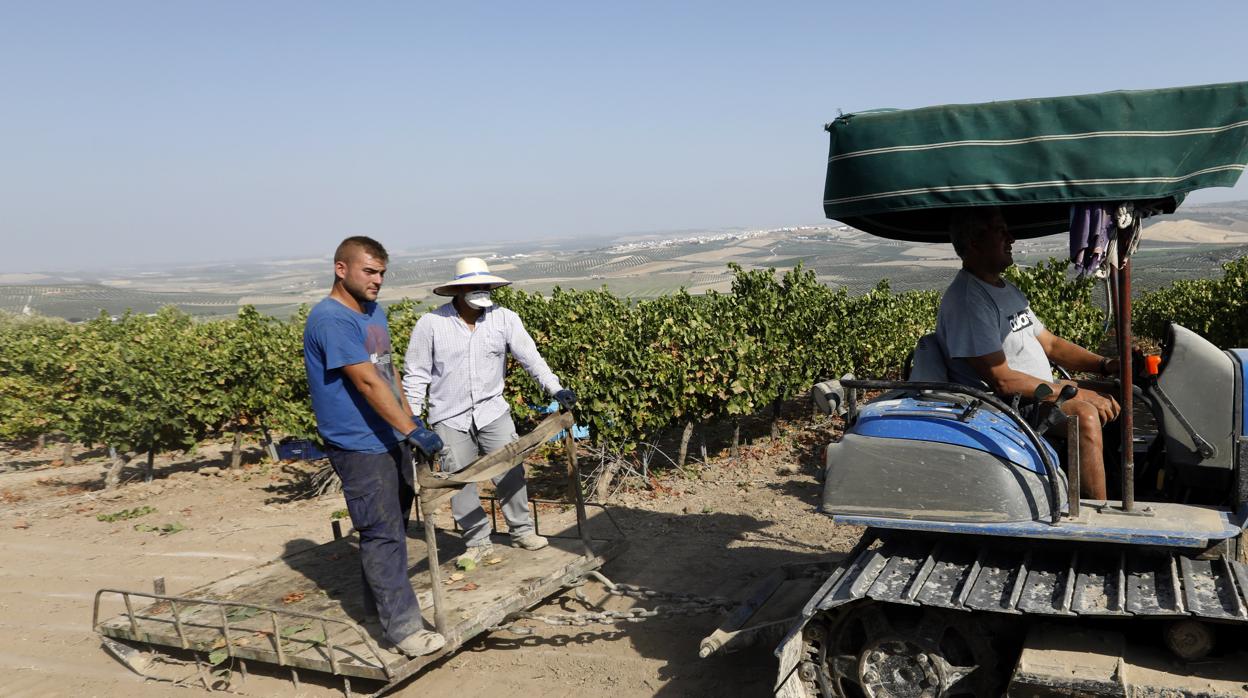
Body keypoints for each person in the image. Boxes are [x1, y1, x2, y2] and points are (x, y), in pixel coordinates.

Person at [302, 236, 447, 657]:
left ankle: (375, 609)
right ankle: (403, 630)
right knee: (382, 533)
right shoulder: (331, 319)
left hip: (389, 434)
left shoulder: (371, 311)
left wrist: (409, 424)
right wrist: (411, 429)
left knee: (393, 527)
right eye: (369, 271)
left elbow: (386, 373)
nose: (378, 280)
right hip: (358, 445)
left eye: (382, 272)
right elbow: (365, 381)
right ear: (341, 269)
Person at [935, 208, 1121, 500]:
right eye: (1000, 231)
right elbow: (1003, 381)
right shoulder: (969, 300)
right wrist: (1079, 394)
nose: (1011, 238)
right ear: (974, 242)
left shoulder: (1004, 289)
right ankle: (1096, 513)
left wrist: (1106, 365)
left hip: (1037, 393)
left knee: (1120, 392)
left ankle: (1116, 483)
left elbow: (1051, 345)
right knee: (1084, 415)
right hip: (1004, 407)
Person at [402, 257, 576, 567]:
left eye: (485, 285)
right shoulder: (431, 324)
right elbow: (416, 374)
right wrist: (413, 419)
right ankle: (477, 541)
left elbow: (531, 358)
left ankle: (522, 531)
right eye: (474, 286)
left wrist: (555, 388)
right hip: (449, 417)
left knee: (511, 470)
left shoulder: (505, 319)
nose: (481, 290)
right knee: (458, 480)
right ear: (458, 290)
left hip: (492, 410)